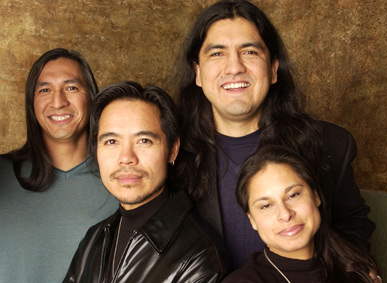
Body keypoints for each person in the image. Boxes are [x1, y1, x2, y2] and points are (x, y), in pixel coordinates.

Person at [173, 0, 375, 269]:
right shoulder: (171, 155)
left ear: (273, 69)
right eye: (217, 54)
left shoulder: (330, 145)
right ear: (197, 73)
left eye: (250, 52)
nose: (234, 67)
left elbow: (353, 231)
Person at [64, 81, 229, 282]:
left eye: (144, 141)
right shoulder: (94, 239)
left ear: (172, 149)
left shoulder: (200, 255)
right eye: (111, 142)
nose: (126, 157)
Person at [0, 48, 118, 282]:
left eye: (71, 88)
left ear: (91, 96)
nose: (58, 102)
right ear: (31, 103)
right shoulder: (2, 176)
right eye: (45, 90)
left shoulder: (122, 180)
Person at [222, 145, 381, 283]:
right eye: (266, 205)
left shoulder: (356, 269)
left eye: (293, 195)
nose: (285, 214)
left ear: (316, 196)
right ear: (252, 220)